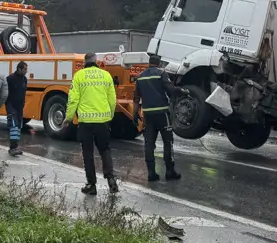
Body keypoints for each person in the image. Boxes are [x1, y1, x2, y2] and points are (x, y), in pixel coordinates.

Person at [62, 53, 119, 195]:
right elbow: (112, 99)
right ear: (96, 62)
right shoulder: (106, 75)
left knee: (88, 153)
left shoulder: (79, 76)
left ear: (84, 62)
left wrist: (68, 118)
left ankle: (91, 185)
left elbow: (73, 99)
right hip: (103, 121)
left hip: (86, 122)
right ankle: (111, 178)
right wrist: (110, 115)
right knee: (105, 150)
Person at [133, 54, 190, 182]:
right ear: (159, 63)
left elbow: (136, 98)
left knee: (149, 143)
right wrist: (183, 91)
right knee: (168, 142)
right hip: (162, 113)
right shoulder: (161, 73)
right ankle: (170, 171)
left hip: (148, 114)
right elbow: (170, 89)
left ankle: (151, 173)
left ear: (149, 63)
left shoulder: (140, 77)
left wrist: (135, 114)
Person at [6, 61, 28, 156]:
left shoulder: (24, 79)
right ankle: (12, 148)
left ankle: (15, 147)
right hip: (11, 105)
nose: (26, 71)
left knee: (19, 126)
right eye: (24, 69)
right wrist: (7, 105)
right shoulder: (10, 79)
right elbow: (6, 92)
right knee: (14, 126)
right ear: (19, 69)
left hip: (19, 107)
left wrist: (23, 103)